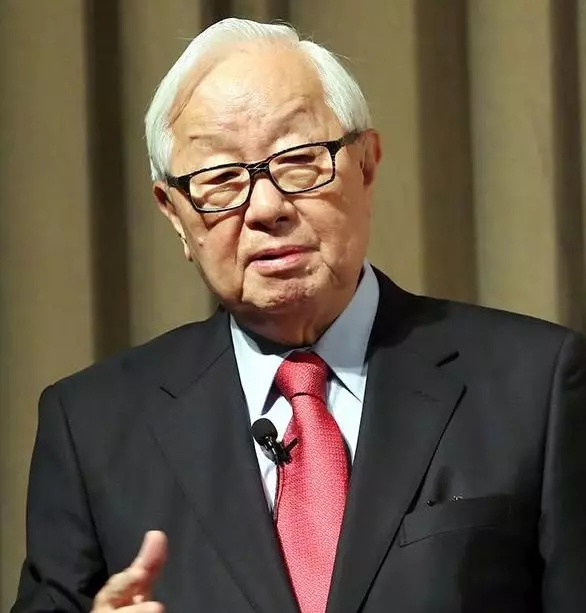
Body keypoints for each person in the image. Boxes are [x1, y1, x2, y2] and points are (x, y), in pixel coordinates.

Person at [11, 16, 586, 613]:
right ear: (175, 214)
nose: (266, 208)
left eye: (298, 160)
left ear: (366, 164)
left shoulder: (536, 386)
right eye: (219, 179)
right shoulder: (92, 427)